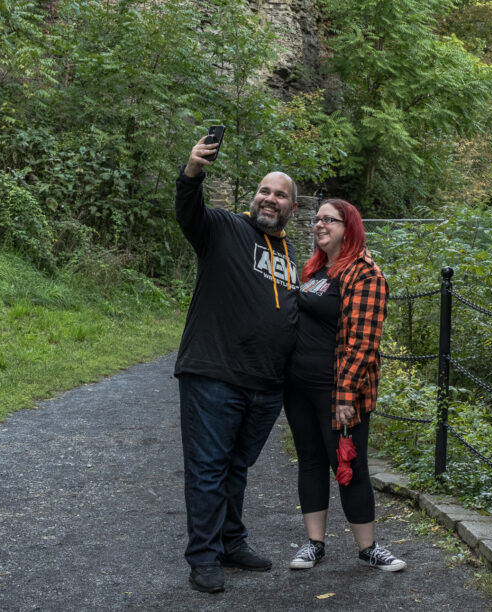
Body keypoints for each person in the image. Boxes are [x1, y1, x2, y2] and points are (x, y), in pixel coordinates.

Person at [174, 135, 300, 593]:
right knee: (208, 468)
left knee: (236, 468)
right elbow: (188, 210)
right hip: (214, 374)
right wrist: (193, 170)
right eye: (264, 191)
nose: (270, 198)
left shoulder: (290, 257)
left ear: (293, 208)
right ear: (254, 197)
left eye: (280, 194)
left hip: (265, 386)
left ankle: (231, 541)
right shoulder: (222, 229)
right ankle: (203, 557)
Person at [283, 198, 406, 572]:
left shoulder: (365, 274)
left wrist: (346, 395)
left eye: (329, 220)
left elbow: (363, 342)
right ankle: (313, 544)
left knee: (349, 465)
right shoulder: (317, 270)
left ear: (348, 227)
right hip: (298, 387)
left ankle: (368, 548)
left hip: (336, 391)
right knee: (310, 462)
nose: (320, 224)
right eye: (317, 219)